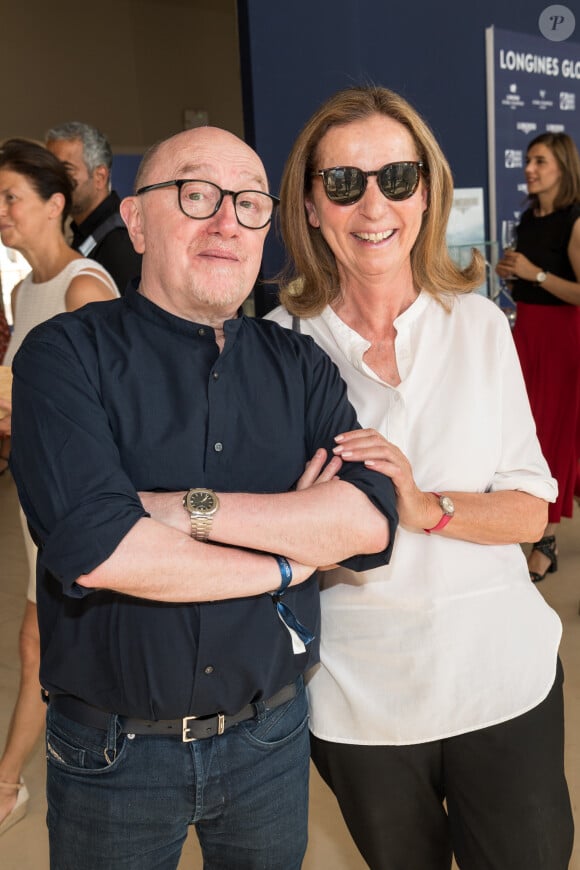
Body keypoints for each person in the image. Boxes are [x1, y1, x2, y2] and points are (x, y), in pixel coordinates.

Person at [8, 125, 397, 869]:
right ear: (135, 220)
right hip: (112, 759)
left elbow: (367, 518)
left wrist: (172, 510)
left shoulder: (300, 365)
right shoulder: (63, 357)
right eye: (196, 195)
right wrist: (288, 562)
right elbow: (99, 549)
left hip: (271, 741)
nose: (228, 221)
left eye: (251, 204)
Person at [267, 85, 574, 870]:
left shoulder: (476, 322)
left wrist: (419, 504)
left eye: (397, 178)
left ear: (427, 190)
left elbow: (531, 511)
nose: (374, 205)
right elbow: (269, 542)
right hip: (359, 694)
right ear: (308, 205)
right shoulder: (277, 346)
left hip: (500, 676)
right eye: (343, 183)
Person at [0, 138, 118, 835]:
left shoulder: (85, 287)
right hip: (35, 494)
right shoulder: (24, 289)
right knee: (38, 640)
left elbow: (113, 412)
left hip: (74, 499)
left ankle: (11, 779)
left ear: (55, 204)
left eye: (11, 197)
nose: (1, 211)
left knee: (41, 639)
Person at [496, 132, 580, 583]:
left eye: (540, 161)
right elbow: (528, 281)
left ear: (562, 168)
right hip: (527, 335)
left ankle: (543, 542)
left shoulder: (575, 221)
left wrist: (537, 273)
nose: (529, 168)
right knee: (539, 436)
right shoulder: (529, 219)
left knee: (549, 441)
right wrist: (511, 274)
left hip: (563, 342)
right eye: (528, 159)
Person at [46, 121, 142, 293]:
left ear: (99, 177)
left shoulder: (122, 241)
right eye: (49, 171)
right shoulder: (81, 232)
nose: (53, 181)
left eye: (66, 170)